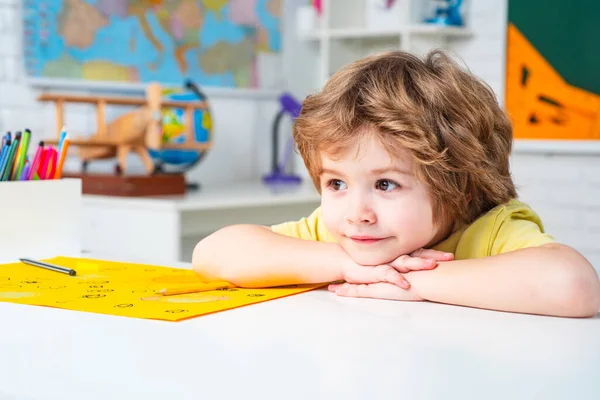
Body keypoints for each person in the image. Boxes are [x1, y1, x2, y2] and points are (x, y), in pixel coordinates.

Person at [192, 50, 600, 318]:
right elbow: (211, 254)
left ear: (462, 188)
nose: (357, 213)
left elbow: (574, 286)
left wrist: (411, 282)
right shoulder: (342, 238)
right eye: (336, 183)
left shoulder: (489, 231)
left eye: (386, 184)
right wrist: (347, 266)